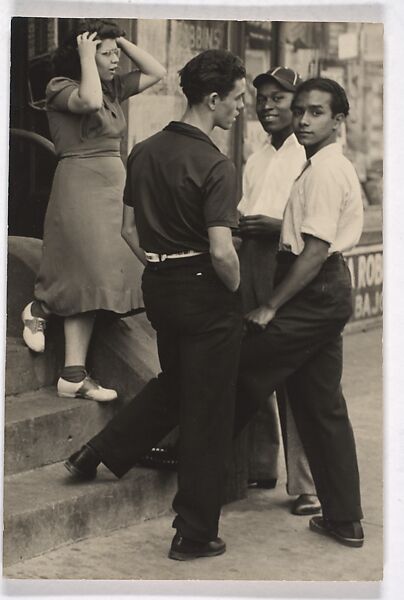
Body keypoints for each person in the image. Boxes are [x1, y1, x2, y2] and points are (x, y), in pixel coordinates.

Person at [65, 77, 364, 550]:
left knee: (221, 377)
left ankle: (145, 455)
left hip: (311, 289)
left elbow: (315, 251)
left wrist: (269, 304)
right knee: (321, 405)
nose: (303, 120)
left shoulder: (325, 170)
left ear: (339, 119)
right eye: (301, 110)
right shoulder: (302, 162)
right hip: (314, 291)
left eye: (316, 113)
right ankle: (345, 519)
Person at [66, 49, 246, 560]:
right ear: (213, 99)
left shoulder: (142, 150)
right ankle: (193, 534)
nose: (239, 111)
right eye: (236, 100)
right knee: (208, 411)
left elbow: (127, 228)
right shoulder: (216, 164)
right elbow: (221, 251)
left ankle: (98, 451)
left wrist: (161, 262)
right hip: (205, 287)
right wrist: (232, 291)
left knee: (179, 383)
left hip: (161, 284)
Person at [21, 19, 166, 401]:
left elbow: (158, 71)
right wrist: (86, 55)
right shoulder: (61, 87)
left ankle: (72, 374)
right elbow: (87, 101)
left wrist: (119, 39)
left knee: (104, 275)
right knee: (87, 269)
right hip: (80, 184)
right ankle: (40, 307)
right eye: (107, 53)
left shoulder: (112, 88)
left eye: (116, 51)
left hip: (113, 185)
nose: (116, 58)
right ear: (84, 55)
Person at [237, 67, 320, 516]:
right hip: (251, 260)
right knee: (251, 365)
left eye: (278, 99)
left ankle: (308, 485)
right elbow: (247, 210)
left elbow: (315, 229)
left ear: (298, 106)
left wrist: (274, 226)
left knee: (294, 372)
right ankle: (261, 463)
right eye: (262, 98)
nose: (268, 106)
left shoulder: (306, 155)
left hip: (286, 262)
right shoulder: (256, 157)